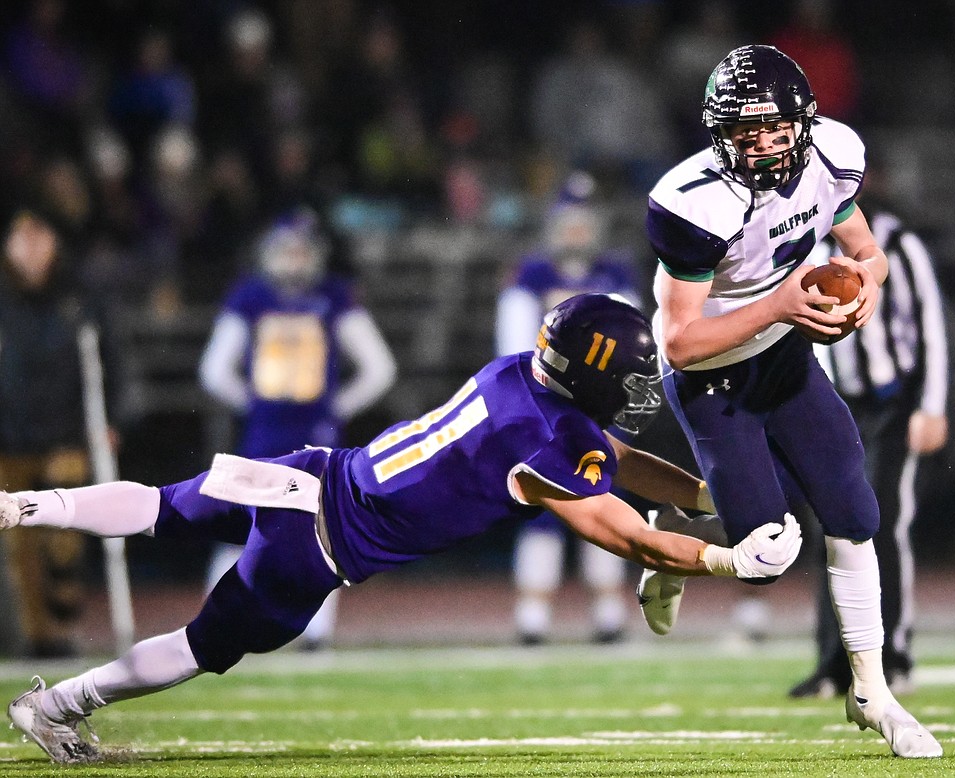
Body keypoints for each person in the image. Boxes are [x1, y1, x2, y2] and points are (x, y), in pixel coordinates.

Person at [2, 293, 803, 764]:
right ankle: (60, 705)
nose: (633, 392)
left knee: (163, 504)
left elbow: (617, 459)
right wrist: (730, 562)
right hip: (318, 548)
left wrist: (704, 496)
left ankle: (24, 507)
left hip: (312, 469)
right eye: (621, 378)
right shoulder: (540, 441)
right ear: (586, 374)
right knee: (207, 644)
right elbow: (624, 535)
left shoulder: (517, 378)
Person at [636, 45, 942, 758]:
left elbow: (869, 253)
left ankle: (872, 691)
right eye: (747, 135)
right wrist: (779, 304)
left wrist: (866, 288)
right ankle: (669, 543)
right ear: (720, 137)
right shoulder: (693, 202)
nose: (765, 148)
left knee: (854, 514)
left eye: (776, 131)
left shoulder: (834, 156)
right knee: (768, 550)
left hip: (785, 357)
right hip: (713, 372)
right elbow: (680, 343)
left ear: (805, 122)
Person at [198, 207, 397, 650]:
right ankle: (217, 619)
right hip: (266, 432)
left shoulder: (334, 296)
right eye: (285, 251)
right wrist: (252, 401)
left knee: (322, 530)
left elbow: (380, 368)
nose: (293, 260)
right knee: (242, 524)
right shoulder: (250, 297)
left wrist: (334, 407)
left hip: (315, 432)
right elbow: (214, 368)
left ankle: (315, 632)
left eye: (300, 251)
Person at [786, 206, 949, 698]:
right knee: (829, 531)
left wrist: (932, 404)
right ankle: (834, 663)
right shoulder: (796, 244)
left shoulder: (897, 243)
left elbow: (931, 325)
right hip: (833, 407)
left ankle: (894, 655)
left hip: (891, 404)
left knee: (885, 525)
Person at [496, 172, 642, 644]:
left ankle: (608, 612)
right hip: (544, 409)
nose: (576, 232)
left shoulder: (614, 274)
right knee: (543, 510)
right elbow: (513, 345)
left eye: (584, 222)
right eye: (568, 222)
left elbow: (635, 345)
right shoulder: (532, 276)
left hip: (596, 410)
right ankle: (532, 618)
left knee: (602, 502)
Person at [0, 207, 120, 658]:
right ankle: (40, 638)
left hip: (66, 434)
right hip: (9, 439)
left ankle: (64, 610)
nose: (30, 249)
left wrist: (114, 418)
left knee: (64, 536)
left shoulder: (79, 299)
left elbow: (112, 361)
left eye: (39, 237)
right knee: (19, 546)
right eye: (21, 239)